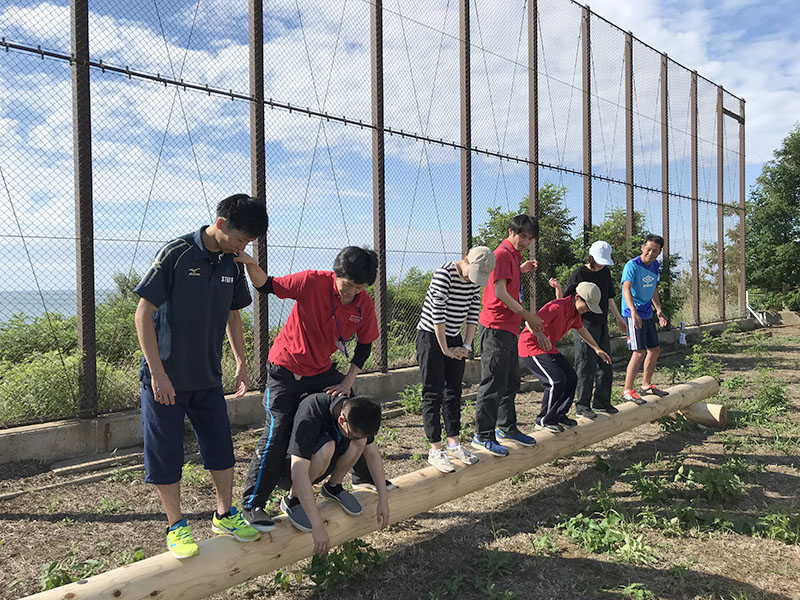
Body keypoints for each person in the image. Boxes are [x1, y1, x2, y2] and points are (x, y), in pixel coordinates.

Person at [133, 194, 267, 559]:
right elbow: (142, 313)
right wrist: (158, 372)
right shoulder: (176, 253)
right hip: (166, 379)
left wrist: (240, 360)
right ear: (221, 224)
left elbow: (233, 314)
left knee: (221, 447)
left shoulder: (232, 262)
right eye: (242, 238)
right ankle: (176, 526)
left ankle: (225, 514)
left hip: (208, 377)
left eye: (249, 243)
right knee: (166, 453)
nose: (244, 246)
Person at [237, 246, 389, 532]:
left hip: (321, 371)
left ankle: (347, 481)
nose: (351, 293)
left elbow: (366, 345)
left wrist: (347, 382)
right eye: (348, 285)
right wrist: (249, 263)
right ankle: (253, 504)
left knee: (357, 415)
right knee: (278, 431)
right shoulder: (311, 281)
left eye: (359, 288)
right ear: (336, 274)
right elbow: (267, 285)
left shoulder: (363, 303)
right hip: (285, 370)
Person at [416, 246, 496, 473]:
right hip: (431, 337)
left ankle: (454, 444)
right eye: (474, 272)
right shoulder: (444, 274)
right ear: (466, 260)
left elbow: (473, 312)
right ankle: (435, 449)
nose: (474, 280)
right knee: (432, 392)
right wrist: (446, 349)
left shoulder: (473, 281)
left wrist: (466, 346)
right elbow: (437, 315)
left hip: (455, 338)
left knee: (453, 391)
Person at [472, 214, 546, 457]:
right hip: (495, 327)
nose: (525, 241)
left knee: (511, 381)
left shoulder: (514, 256)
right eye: (522, 236)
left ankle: (506, 428)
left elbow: (504, 281)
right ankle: (482, 435)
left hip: (508, 327)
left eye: (530, 238)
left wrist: (522, 269)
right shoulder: (503, 254)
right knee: (493, 382)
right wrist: (527, 315)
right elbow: (501, 292)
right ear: (511, 232)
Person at [278, 394, 390, 554]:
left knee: (361, 442)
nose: (355, 438)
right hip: (288, 469)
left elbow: (372, 455)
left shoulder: (359, 412)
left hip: (320, 461)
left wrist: (383, 499)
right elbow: (298, 469)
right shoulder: (312, 411)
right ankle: (293, 500)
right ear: (341, 420)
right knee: (327, 447)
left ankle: (334, 487)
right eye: (352, 434)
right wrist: (318, 525)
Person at [548, 240, 627, 419]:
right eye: (599, 261)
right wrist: (558, 289)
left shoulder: (605, 272)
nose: (601, 265)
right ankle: (582, 404)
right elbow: (565, 300)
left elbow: (609, 298)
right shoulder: (579, 273)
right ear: (591, 257)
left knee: (605, 362)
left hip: (601, 322)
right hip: (583, 323)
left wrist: (618, 318)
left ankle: (602, 401)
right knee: (585, 363)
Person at [519, 282, 612, 432]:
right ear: (577, 298)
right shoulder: (556, 307)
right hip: (531, 347)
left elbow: (582, 331)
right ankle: (544, 420)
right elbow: (530, 320)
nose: (587, 310)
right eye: (587, 306)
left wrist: (597, 349)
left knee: (571, 378)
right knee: (556, 381)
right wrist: (539, 334)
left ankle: (559, 414)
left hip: (548, 348)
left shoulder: (575, 314)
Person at [620, 234, 670, 405]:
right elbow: (626, 288)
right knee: (638, 351)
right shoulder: (632, 265)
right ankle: (627, 390)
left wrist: (659, 310)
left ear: (659, 253)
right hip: (632, 313)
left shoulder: (655, 265)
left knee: (654, 349)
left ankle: (646, 385)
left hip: (648, 313)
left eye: (654, 251)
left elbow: (653, 288)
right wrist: (633, 312)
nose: (650, 253)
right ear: (642, 248)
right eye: (648, 249)